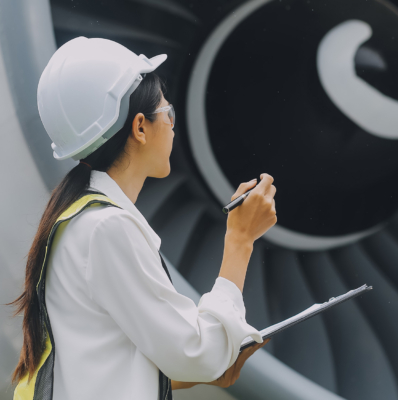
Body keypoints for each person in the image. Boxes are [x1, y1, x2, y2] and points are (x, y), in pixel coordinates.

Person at [10, 37, 276, 400]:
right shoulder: (107, 229)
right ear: (140, 127)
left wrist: (203, 370)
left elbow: (103, 360)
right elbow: (196, 353)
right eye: (169, 114)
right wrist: (240, 240)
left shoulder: (78, 220)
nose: (172, 125)